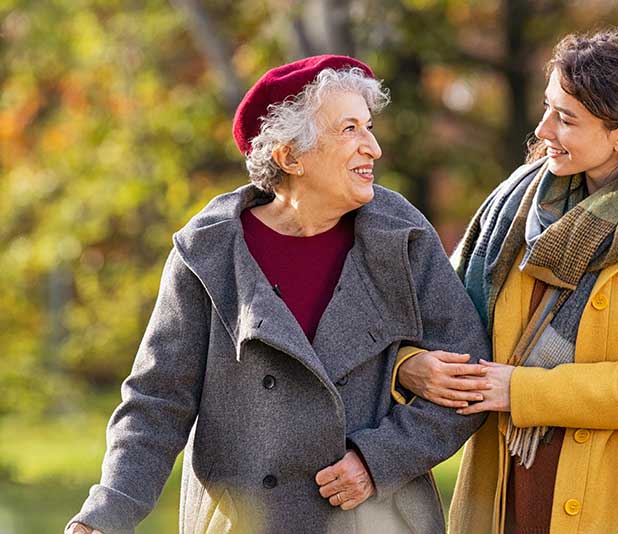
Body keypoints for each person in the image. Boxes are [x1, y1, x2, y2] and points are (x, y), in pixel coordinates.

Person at [66, 55, 490, 534]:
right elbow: (157, 402)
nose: (372, 146)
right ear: (291, 157)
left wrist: (379, 460)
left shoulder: (402, 236)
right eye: (349, 129)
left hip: (376, 518)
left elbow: (467, 375)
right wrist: (105, 515)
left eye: (368, 127)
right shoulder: (208, 252)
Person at [394, 27, 618, 533]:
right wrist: (411, 365)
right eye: (548, 108)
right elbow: (434, 319)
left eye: (566, 118)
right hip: (504, 494)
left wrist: (522, 391)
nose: (543, 129)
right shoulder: (515, 210)